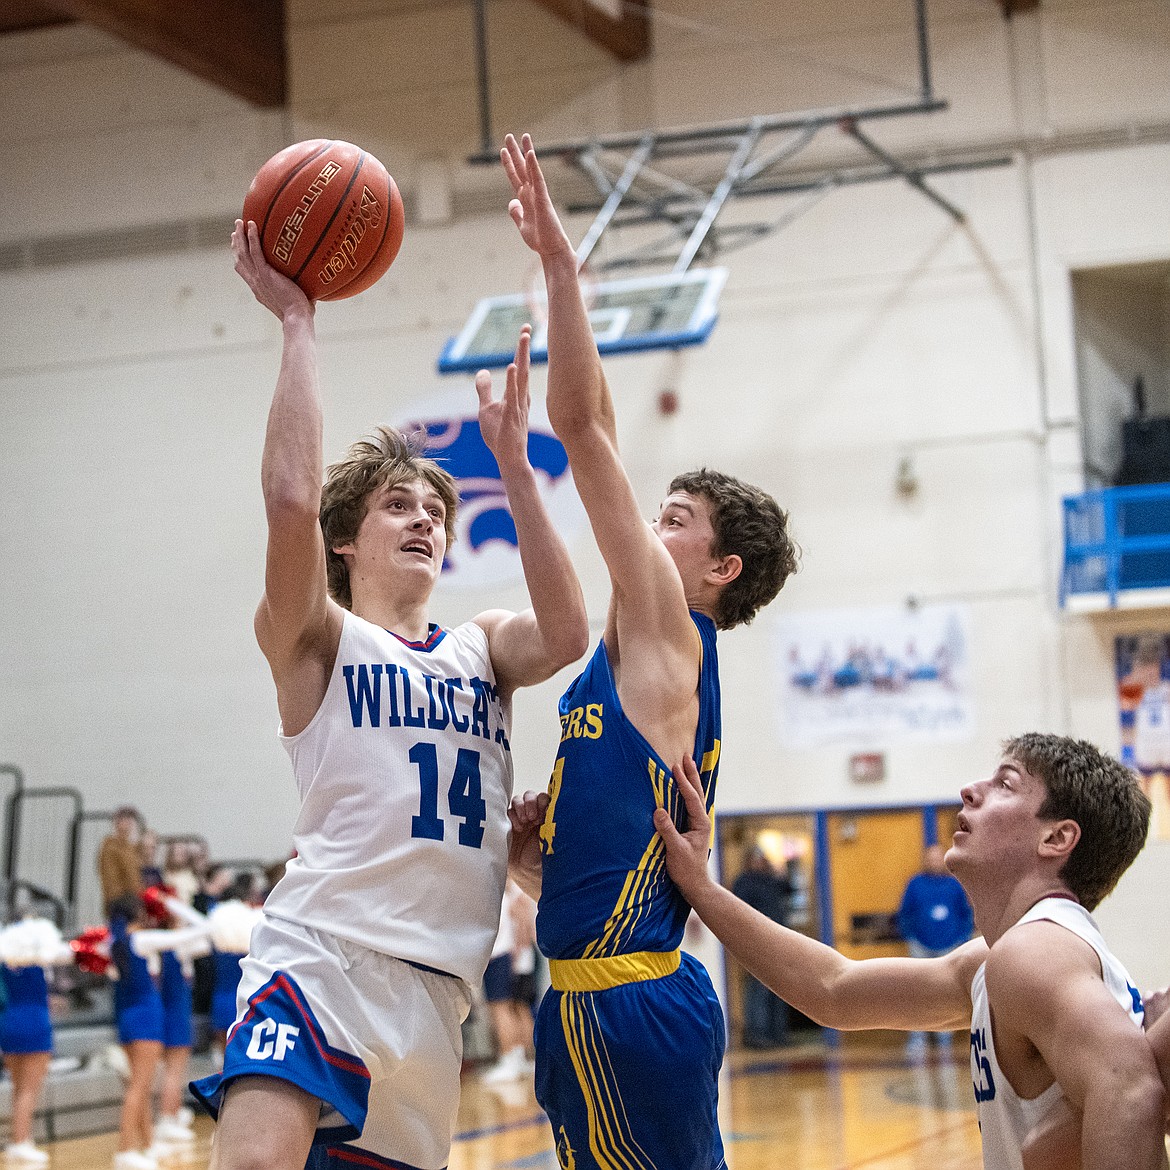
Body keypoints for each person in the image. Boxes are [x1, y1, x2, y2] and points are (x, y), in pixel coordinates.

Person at [190, 215, 588, 1170]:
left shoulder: (481, 647)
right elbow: (289, 499)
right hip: (320, 955)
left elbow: (570, 633)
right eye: (395, 506)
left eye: (434, 511)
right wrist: (297, 325)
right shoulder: (319, 639)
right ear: (345, 541)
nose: (421, 521)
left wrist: (519, 480)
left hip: (436, 991)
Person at [500, 132, 798, 1170]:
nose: (646, 527)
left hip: (633, 1009)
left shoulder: (676, 634)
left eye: (675, 521)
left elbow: (585, 429)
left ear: (721, 573)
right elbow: (621, 880)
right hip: (591, 997)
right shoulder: (636, 652)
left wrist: (561, 270)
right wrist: (536, 864)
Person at [653, 733, 1167, 1170]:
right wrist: (703, 888)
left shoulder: (1036, 952)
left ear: (1057, 837)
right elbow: (835, 992)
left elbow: (1131, 1095)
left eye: (1005, 783)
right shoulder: (1000, 960)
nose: (971, 790)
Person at [0, 917, 74, 1165]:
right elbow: (68, 953)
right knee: (29, 1091)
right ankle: (20, 1141)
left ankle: (19, 1140)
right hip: (34, 1023)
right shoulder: (41, 960)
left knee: (18, 1089)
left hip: (9, 1022)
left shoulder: (5, 959)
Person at [896, 842, 974, 1056]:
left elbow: (966, 914)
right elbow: (905, 913)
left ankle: (944, 1038)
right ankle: (917, 1038)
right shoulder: (915, 884)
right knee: (916, 992)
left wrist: (962, 938)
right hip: (920, 946)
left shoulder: (954, 885)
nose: (934, 861)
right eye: (930, 857)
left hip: (950, 945)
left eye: (938, 857)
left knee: (945, 993)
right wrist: (911, 936)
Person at [732, 847, 793, 1049]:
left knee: (781, 989)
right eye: (756, 859)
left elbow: (788, 888)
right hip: (756, 944)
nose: (759, 863)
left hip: (780, 942)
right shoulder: (744, 882)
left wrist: (780, 869)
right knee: (759, 990)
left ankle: (778, 1034)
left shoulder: (770, 880)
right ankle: (756, 1035)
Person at [480, 880, 538, 1084]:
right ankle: (518, 1057)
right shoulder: (504, 899)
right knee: (513, 1009)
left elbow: (524, 929)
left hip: (500, 956)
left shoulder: (503, 899)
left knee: (501, 1010)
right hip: (507, 956)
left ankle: (509, 1058)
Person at [97, 807, 144, 915]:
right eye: (125, 820)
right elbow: (111, 880)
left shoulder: (130, 847)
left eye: (130, 820)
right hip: (121, 902)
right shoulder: (111, 847)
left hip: (131, 900)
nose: (129, 824)